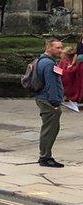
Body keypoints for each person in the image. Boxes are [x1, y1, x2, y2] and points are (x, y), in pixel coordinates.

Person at [36, 37, 66, 168]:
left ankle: (45, 156)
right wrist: (55, 103)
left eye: (61, 47)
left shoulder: (41, 60)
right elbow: (51, 85)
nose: (60, 50)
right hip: (48, 101)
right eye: (57, 47)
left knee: (49, 129)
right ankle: (45, 158)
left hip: (43, 98)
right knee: (50, 130)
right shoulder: (49, 64)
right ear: (48, 47)